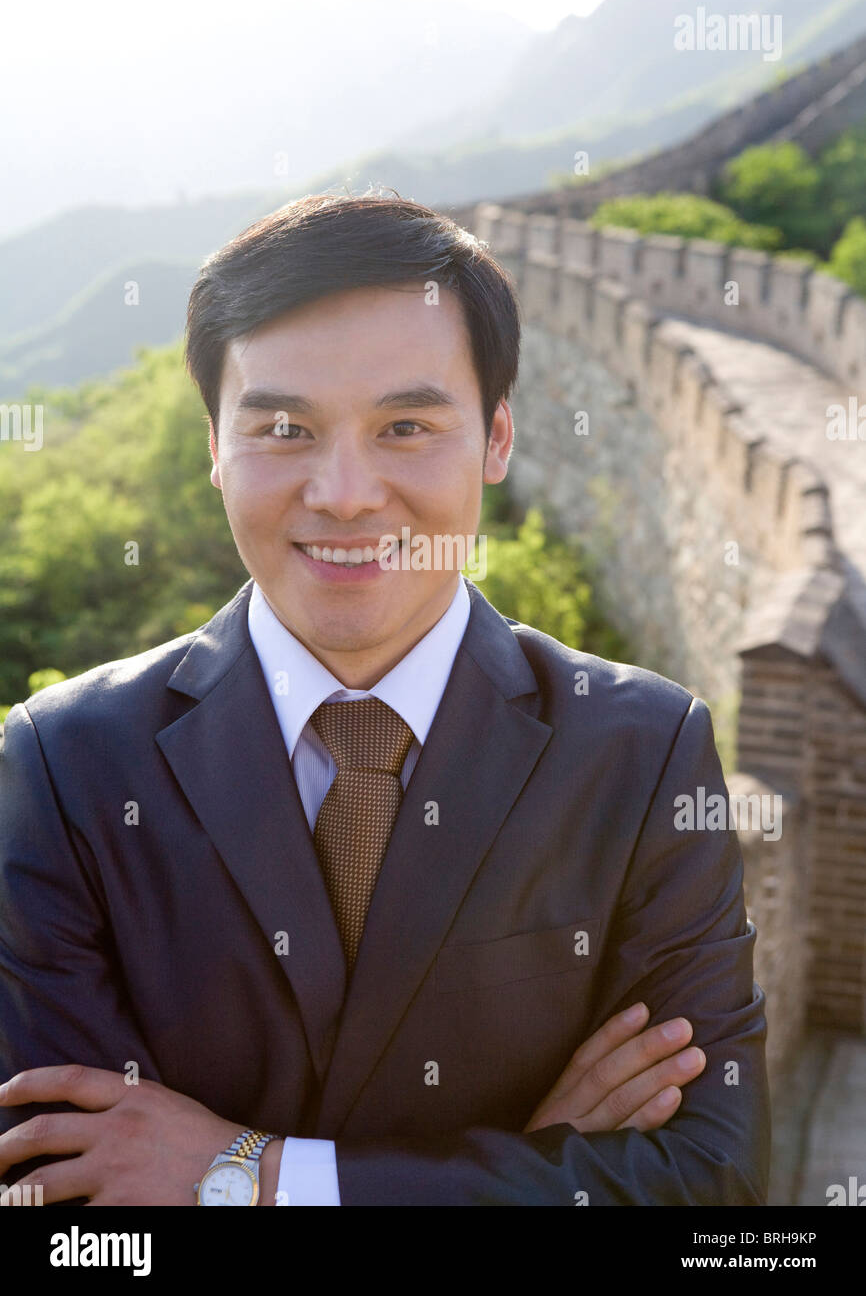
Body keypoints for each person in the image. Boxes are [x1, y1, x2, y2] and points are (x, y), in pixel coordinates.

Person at [0, 191, 770, 1205]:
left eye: (406, 424)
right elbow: (64, 1209)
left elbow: (714, 1185)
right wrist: (528, 1165)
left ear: (496, 438)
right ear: (213, 447)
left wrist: (249, 1178)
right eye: (283, 427)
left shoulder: (639, 750)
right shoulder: (66, 764)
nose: (346, 492)